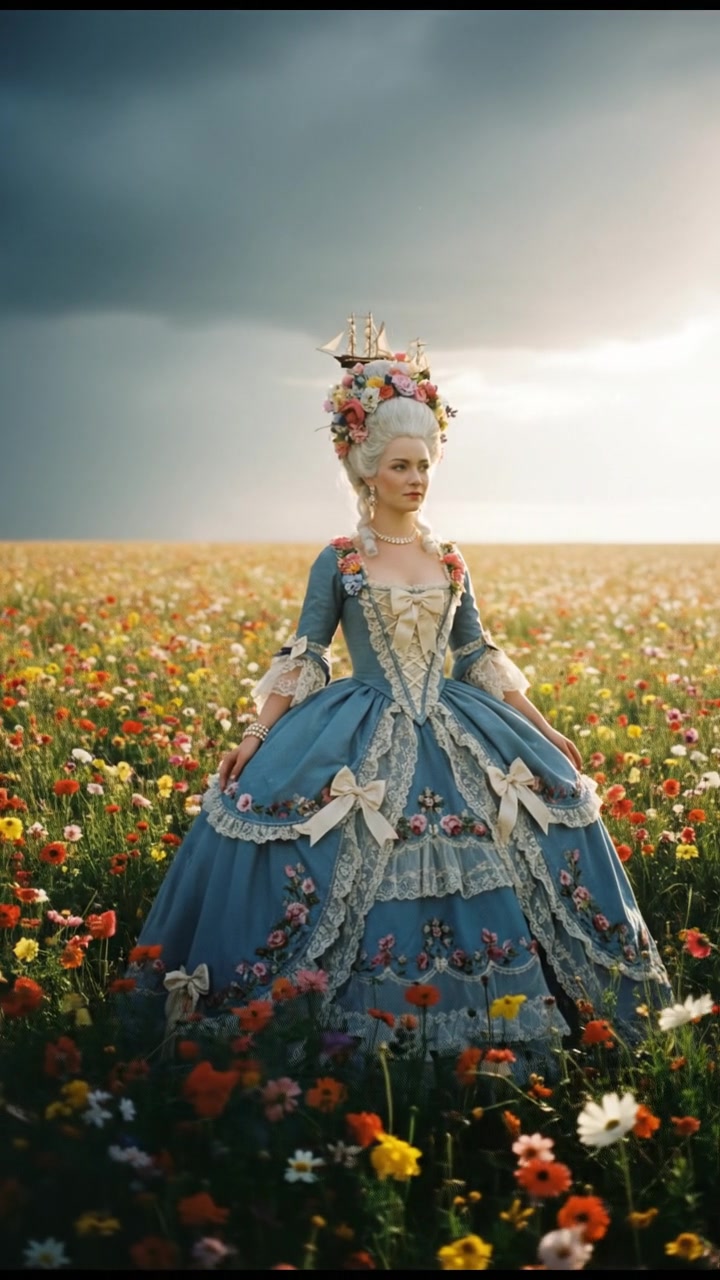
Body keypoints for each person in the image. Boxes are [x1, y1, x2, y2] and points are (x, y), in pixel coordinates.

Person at [127, 349, 670, 1056]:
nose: (416, 481)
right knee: (325, 856)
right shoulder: (342, 558)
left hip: (453, 727)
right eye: (400, 467)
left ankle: (517, 1025)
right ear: (366, 470)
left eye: (424, 466)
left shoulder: (450, 559)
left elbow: (476, 654)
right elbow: (307, 654)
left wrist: (542, 727)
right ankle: (348, 1034)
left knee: (540, 809)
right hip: (358, 728)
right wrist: (258, 737)